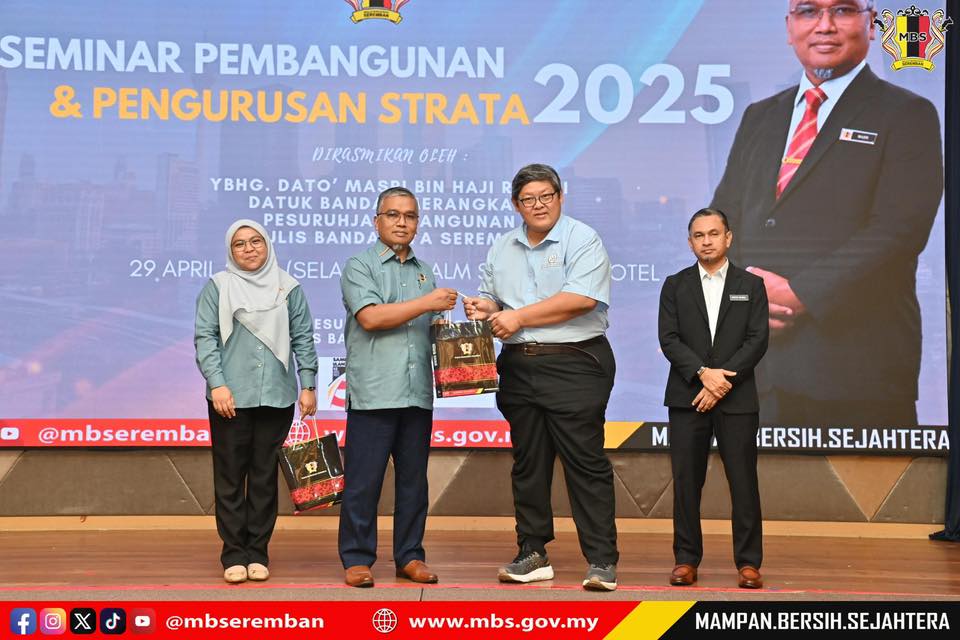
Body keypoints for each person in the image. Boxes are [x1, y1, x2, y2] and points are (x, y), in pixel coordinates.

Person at [711, 0, 943, 427]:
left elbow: (899, 230)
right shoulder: (759, 116)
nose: (824, 26)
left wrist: (798, 294)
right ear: (789, 28)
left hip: (856, 372)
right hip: (757, 370)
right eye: (808, 11)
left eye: (842, 10)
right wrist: (745, 295)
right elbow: (724, 219)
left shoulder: (908, 113)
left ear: (871, 25)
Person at [463, 163, 619, 591]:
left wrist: (516, 316)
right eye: (528, 199)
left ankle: (601, 559)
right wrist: (486, 308)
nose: (538, 205)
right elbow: (496, 300)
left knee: (585, 462)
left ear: (560, 196)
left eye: (546, 196)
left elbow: (581, 299)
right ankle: (532, 553)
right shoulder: (502, 246)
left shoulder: (582, 238)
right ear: (516, 205)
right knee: (528, 464)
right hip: (518, 364)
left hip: (576, 362)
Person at [338, 186, 458, 588]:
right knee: (363, 483)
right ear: (377, 221)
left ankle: (410, 556)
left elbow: (430, 326)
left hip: (416, 391)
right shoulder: (360, 265)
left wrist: (461, 321)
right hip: (374, 392)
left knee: (413, 483)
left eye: (409, 216)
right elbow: (371, 318)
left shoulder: (425, 272)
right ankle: (357, 558)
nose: (401, 222)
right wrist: (428, 303)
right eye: (393, 215)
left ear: (417, 223)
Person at [194, 219, 318, 584]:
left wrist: (308, 384)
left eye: (255, 241)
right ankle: (234, 553)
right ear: (230, 251)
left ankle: (258, 552)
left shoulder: (288, 287)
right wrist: (217, 383)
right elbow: (205, 338)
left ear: (267, 245)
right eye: (239, 244)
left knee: (264, 478)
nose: (248, 249)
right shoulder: (218, 286)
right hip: (229, 398)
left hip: (277, 396)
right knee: (230, 477)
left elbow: (303, 337)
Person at [658, 208, 769, 589]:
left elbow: (757, 340)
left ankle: (749, 562)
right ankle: (686, 559)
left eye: (713, 233)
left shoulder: (751, 285)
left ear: (728, 238)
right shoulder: (675, 285)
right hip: (687, 396)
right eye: (699, 235)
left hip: (737, 398)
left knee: (743, 481)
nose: (706, 241)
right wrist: (704, 375)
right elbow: (669, 338)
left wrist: (721, 381)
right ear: (690, 242)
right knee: (686, 481)